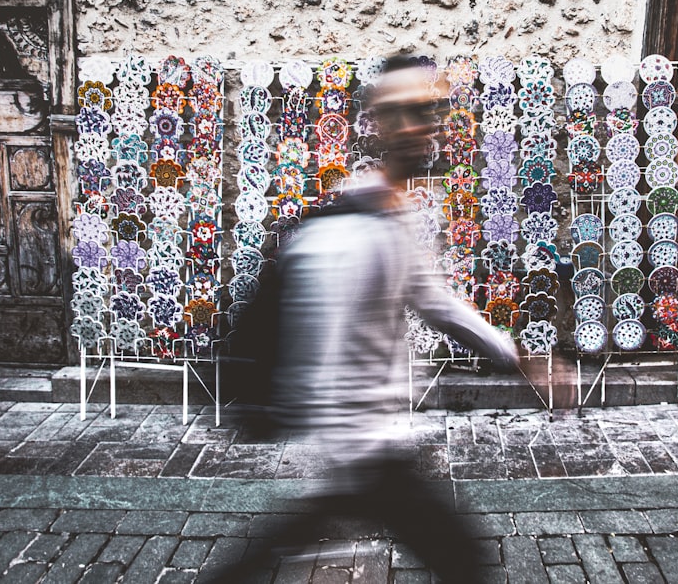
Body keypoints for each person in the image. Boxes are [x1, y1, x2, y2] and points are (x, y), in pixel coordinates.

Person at [208, 55, 521, 582]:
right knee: (463, 564)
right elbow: (322, 363)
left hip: (371, 453)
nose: (420, 125)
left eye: (428, 109)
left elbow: (433, 300)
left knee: (280, 549)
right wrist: (359, 459)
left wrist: (517, 357)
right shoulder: (347, 235)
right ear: (377, 123)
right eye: (402, 112)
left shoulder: (397, 214)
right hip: (365, 449)